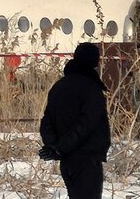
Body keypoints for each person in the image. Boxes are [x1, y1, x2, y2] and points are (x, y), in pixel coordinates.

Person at [39, 42, 111, 199]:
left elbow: (46, 122)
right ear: (93, 61)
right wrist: (61, 148)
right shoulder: (91, 88)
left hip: (67, 161)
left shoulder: (59, 86)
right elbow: (86, 124)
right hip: (87, 159)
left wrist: (54, 147)